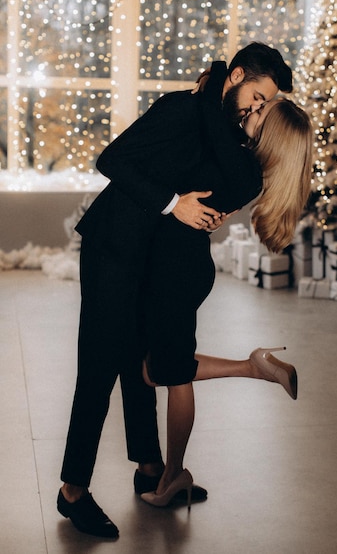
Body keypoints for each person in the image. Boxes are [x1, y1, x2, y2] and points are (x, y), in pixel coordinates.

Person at [57, 43, 293, 538]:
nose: (255, 108)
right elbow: (111, 159)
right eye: (256, 95)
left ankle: (149, 471)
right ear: (238, 76)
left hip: (151, 261)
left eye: (264, 104)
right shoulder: (182, 108)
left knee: (136, 364)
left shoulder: (220, 124)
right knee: (99, 367)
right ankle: (72, 492)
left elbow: (219, 179)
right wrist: (172, 205)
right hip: (113, 246)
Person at [138, 95, 313, 508]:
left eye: (261, 110)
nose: (251, 110)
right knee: (152, 371)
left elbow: (208, 116)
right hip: (182, 267)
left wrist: (218, 77)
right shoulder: (248, 171)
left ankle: (172, 477)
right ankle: (255, 367)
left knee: (171, 375)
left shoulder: (239, 162)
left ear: (273, 133)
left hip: (177, 272)